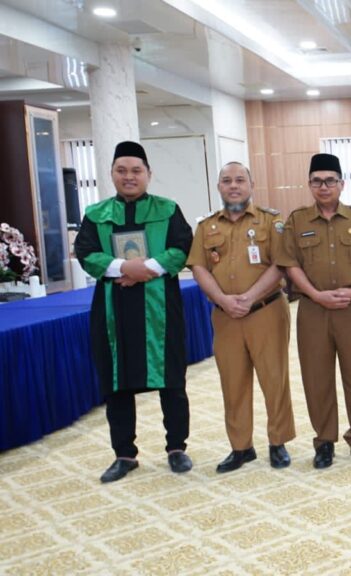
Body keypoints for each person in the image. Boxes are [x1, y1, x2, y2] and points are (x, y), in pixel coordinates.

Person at [75, 141, 194, 483]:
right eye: (122, 171)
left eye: (136, 171)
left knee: (172, 381)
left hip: (161, 309)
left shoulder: (167, 209)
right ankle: (124, 454)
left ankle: (177, 448)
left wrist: (146, 269)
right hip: (113, 311)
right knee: (117, 384)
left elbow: (182, 247)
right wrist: (124, 267)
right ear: (112, 173)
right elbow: (86, 252)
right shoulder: (96, 214)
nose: (129, 177)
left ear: (148, 174)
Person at [187, 162, 296, 473]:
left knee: (274, 378)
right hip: (226, 316)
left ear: (251, 185)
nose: (233, 186)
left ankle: (278, 442)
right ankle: (241, 447)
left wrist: (249, 298)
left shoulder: (271, 221)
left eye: (239, 180)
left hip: (266, 311)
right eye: (226, 181)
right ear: (218, 187)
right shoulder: (206, 226)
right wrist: (223, 299)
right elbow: (199, 267)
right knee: (232, 381)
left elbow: (280, 264)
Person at [279, 153, 351, 468]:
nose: (324, 187)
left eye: (330, 181)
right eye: (317, 181)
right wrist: (315, 294)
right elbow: (290, 263)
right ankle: (324, 441)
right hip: (313, 310)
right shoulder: (297, 221)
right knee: (316, 377)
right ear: (309, 185)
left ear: (342, 184)